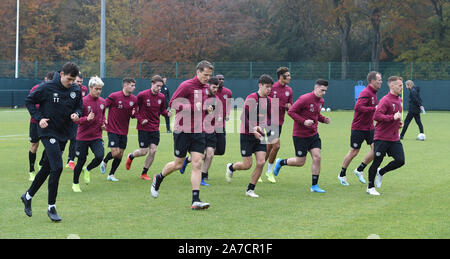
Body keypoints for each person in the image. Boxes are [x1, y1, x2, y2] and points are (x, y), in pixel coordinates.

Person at [21, 62, 82, 222]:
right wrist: (39, 118)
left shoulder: (75, 90)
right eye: (69, 79)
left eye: (73, 80)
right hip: (48, 132)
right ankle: (51, 207)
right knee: (57, 167)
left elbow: (79, 107)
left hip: (64, 133)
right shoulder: (47, 87)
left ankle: (27, 196)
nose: (71, 83)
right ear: (61, 74)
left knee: (48, 167)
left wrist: (76, 114)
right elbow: (29, 101)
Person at [150, 60, 213, 210]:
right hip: (182, 130)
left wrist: (206, 108)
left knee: (197, 162)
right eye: (205, 75)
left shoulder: (206, 88)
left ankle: (195, 200)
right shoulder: (186, 86)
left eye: (209, 75)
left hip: (198, 131)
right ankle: (159, 177)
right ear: (198, 72)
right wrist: (192, 106)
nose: (207, 78)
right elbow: (172, 103)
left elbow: (200, 108)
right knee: (178, 164)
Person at [272, 79, 331, 193]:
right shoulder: (305, 99)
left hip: (313, 134)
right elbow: (291, 112)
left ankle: (314, 186)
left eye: (325, 91)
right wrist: (304, 121)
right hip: (300, 135)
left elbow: (316, 114)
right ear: (315, 87)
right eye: (322, 90)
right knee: (300, 162)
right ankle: (281, 162)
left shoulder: (321, 101)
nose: (323, 93)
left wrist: (324, 119)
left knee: (317, 157)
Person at [225, 74, 274, 198]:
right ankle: (231, 167)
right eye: (267, 87)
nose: (269, 89)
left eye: (271, 87)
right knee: (247, 165)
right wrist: (253, 129)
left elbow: (269, 119)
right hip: (247, 134)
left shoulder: (268, 101)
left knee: (261, 162)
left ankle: (250, 190)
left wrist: (263, 127)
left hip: (259, 136)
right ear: (260, 85)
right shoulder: (251, 98)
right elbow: (243, 117)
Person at [338, 71, 382, 186]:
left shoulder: (374, 92)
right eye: (379, 80)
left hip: (369, 127)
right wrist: (374, 108)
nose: (381, 82)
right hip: (358, 127)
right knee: (354, 151)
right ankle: (342, 174)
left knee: (376, 149)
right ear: (372, 81)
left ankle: (360, 169)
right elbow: (358, 107)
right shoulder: (366, 92)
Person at [125, 75, 171, 180]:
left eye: (161, 86)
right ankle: (131, 156)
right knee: (143, 151)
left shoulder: (161, 97)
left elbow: (162, 110)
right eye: (158, 85)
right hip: (143, 128)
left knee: (153, 150)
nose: (159, 88)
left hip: (155, 128)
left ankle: (144, 173)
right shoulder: (142, 95)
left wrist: (166, 113)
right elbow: (135, 109)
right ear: (152, 84)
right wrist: (141, 120)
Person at [366, 76, 405, 196]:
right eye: (399, 85)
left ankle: (381, 172)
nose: (401, 87)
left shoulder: (399, 100)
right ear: (392, 86)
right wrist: (392, 118)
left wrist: (398, 123)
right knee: (376, 161)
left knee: (400, 160)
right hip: (381, 137)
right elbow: (376, 117)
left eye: (402, 85)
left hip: (394, 138)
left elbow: (395, 117)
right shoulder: (385, 100)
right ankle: (370, 187)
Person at [72, 76, 106, 192]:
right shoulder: (83, 101)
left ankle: (88, 169)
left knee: (100, 156)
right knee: (80, 161)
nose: (99, 91)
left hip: (96, 136)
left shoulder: (103, 102)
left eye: (100, 89)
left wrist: (104, 123)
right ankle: (75, 183)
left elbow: (103, 115)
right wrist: (86, 119)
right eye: (96, 89)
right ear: (90, 88)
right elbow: (76, 120)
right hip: (83, 137)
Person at [100, 78, 138, 182]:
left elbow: (132, 115)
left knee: (120, 154)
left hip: (124, 130)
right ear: (125, 86)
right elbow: (102, 107)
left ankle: (111, 174)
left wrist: (134, 114)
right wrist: (103, 120)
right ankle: (104, 160)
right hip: (112, 128)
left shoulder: (134, 99)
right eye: (132, 85)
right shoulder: (114, 96)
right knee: (115, 152)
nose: (134, 88)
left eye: (134, 86)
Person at [265, 67, 293, 183]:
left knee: (270, 147)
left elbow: (289, 106)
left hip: (280, 121)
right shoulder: (272, 88)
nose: (290, 77)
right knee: (276, 146)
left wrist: (289, 107)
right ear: (281, 77)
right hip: (270, 120)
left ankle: (260, 167)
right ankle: (269, 171)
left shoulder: (289, 90)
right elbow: (265, 102)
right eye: (288, 75)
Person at [28, 71, 54, 181]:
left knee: (50, 145)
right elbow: (31, 103)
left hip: (49, 123)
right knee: (34, 145)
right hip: (35, 122)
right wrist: (39, 116)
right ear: (45, 79)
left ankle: (41, 163)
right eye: (49, 81)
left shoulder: (55, 90)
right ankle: (31, 170)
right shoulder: (36, 88)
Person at [66, 73, 88, 170]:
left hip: (77, 117)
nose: (79, 83)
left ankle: (71, 160)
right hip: (66, 117)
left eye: (81, 82)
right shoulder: (68, 88)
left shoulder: (84, 89)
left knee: (74, 138)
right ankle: (46, 161)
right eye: (77, 81)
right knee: (62, 139)